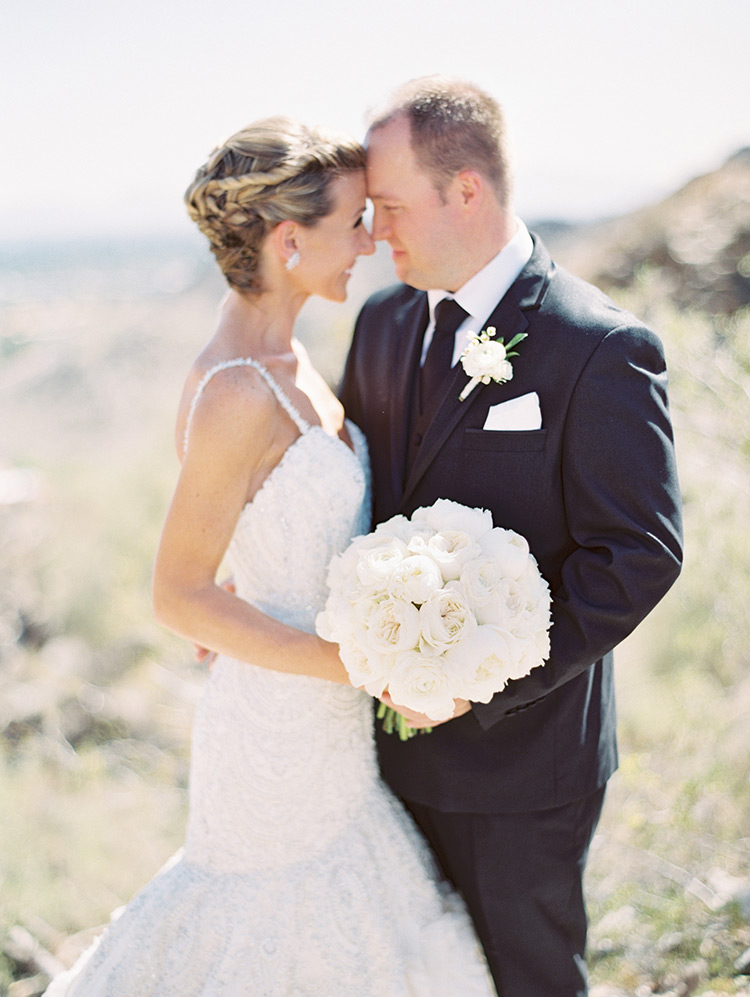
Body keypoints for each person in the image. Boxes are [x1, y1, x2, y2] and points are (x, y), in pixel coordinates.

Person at [44, 118, 496, 996]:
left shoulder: (287, 360)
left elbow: (240, 542)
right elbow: (176, 594)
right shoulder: (237, 390)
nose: (370, 240)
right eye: (355, 222)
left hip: (331, 733)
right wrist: (359, 662)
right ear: (291, 240)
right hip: (272, 741)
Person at [339, 77, 683, 996]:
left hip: (524, 765)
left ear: (466, 191)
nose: (376, 233)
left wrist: (478, 684)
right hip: (377, 751)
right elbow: (357, 500)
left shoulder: (600, 347)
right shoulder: (380, 324)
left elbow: (637, 555)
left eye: (393, 206)